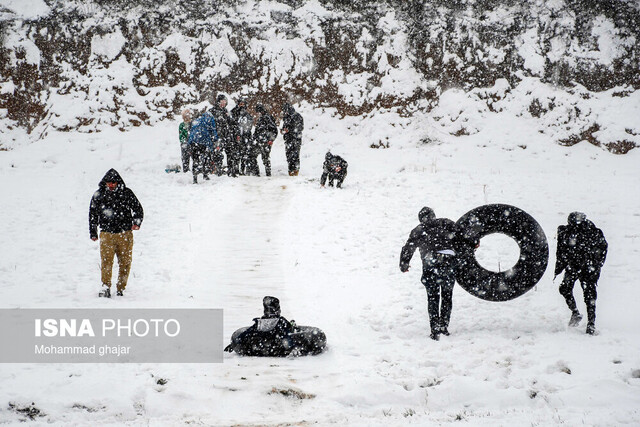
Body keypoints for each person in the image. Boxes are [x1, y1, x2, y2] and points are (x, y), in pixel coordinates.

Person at [400, 207, 465, 340]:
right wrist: (474, 243)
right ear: (433, 215)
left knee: (433, 297)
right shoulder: (446, 223)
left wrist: (404, 263)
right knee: (447, 295)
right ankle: (444, 327)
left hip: (430, 262)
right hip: (448, 260)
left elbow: (409, 247)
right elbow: (463, 235)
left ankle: (435, 329)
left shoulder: (419, 229)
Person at [89, 169, 144, 297]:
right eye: (109, 182)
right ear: (105, 182)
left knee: (125, 262)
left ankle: (121, 288)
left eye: (113, 182)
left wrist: (136, 222)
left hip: (125, 234)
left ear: (118, 182)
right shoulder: (99, 195)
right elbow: (93, 214)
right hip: (106, 234)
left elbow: (137, 208)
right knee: (106, 262)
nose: (111, 184)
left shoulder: (127, 193)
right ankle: (105, 286)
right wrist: (93, 232)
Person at [555, 212, 608, 335]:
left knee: (589, 296)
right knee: (565, 288)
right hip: (574, 266)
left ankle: (591, 323)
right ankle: (576, 313)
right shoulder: (567, 232)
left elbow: (603, 248)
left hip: (587, 267)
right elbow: (562, 251)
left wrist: (597, 264)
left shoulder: (592, 232)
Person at [224, 296, 295, 356]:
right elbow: (288, 333)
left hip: (256, 350)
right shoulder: (281, 321)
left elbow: (246, 334)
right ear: (278, 310)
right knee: (286, 335)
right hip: (276, 350)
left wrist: (234, 345)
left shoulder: (259, 323)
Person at [188, 109, 218, 184]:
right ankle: (205, 174)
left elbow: (190, 130)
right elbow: (213, 131)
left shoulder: (197, 120)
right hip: (203, 142)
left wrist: (190, 142)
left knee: (195, 160)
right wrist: (215, 141)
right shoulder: (210, 120)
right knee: (205, 158)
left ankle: (195, 178)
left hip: (193, 142)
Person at [211, 94, 234, 176]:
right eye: (221, 102)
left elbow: (231, 123)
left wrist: (229, 118)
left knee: (230, 153)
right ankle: (218, 169)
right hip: (217, 136)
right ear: (218, 102)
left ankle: (231, 170)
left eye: (225, 102)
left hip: (227, 136)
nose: (223, 103)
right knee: (218, 154)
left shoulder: (226, 111)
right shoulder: (213, 111)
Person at [253, 104, 278, 177]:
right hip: (260, 140)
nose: (258, 113)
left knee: (265, 158)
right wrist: (254, 138)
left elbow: (274, 130)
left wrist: (271, 140)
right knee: (257, 156)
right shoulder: (261, 118)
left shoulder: (267, 118)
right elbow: (257, 130)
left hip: (265, 141)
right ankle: (258, 173)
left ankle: (267, 173)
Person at [231, 98, 253, 175]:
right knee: (236, 154)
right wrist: (236, 133)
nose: (242, 106)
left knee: (245, 154)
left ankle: (244, 169)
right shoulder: (234, 112)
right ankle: (236, 169)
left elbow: (249, 125)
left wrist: (245, 134)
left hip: (245, 137)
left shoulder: (247, 115)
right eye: (241, 104)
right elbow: (232, 124)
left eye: (243, 104)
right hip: (236, 137)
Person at [281, 103, 304, 176]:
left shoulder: (297, 116)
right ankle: (290, 170)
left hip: (296, 139)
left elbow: (300, 127)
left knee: (295, 155)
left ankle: (296, 171)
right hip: (288, 139)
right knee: (289, 155)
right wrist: (283, 130)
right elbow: (284, 126)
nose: (285, 112)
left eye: (285, 110)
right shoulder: (286, 117)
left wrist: (290, 130)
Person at [178, 108, 193, 173]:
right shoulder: (181, 125)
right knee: (185, 157)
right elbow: (181, 135)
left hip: (192, 143)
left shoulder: (193, 123)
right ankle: (186, 170)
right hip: (185, 143)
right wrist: (184, 141)